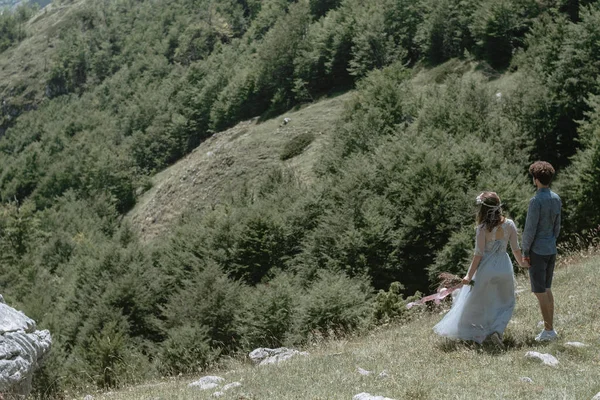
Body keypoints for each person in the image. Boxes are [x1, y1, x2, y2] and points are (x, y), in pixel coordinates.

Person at [434, 192, 526, 347]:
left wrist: (468, 276)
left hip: (486, 269)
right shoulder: (509, 224)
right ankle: (497, 330)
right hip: (504, 267)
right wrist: (523, 264)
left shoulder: (482, 229)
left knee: (478, 302)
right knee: (506, 302)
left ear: (482, 210)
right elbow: (516, 249)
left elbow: (478, 255)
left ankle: (475, 332)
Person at [521, 161, 562, 342]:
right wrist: (551, 240)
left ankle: (549, 330)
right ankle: (550, 327)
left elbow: (530, 229)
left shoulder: (536, 201)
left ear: (535, 180)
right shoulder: (556, 198)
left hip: (537, 250)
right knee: (546, 288)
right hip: (551, 248)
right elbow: (557, 227)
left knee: (539, 291)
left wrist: (525, 251)